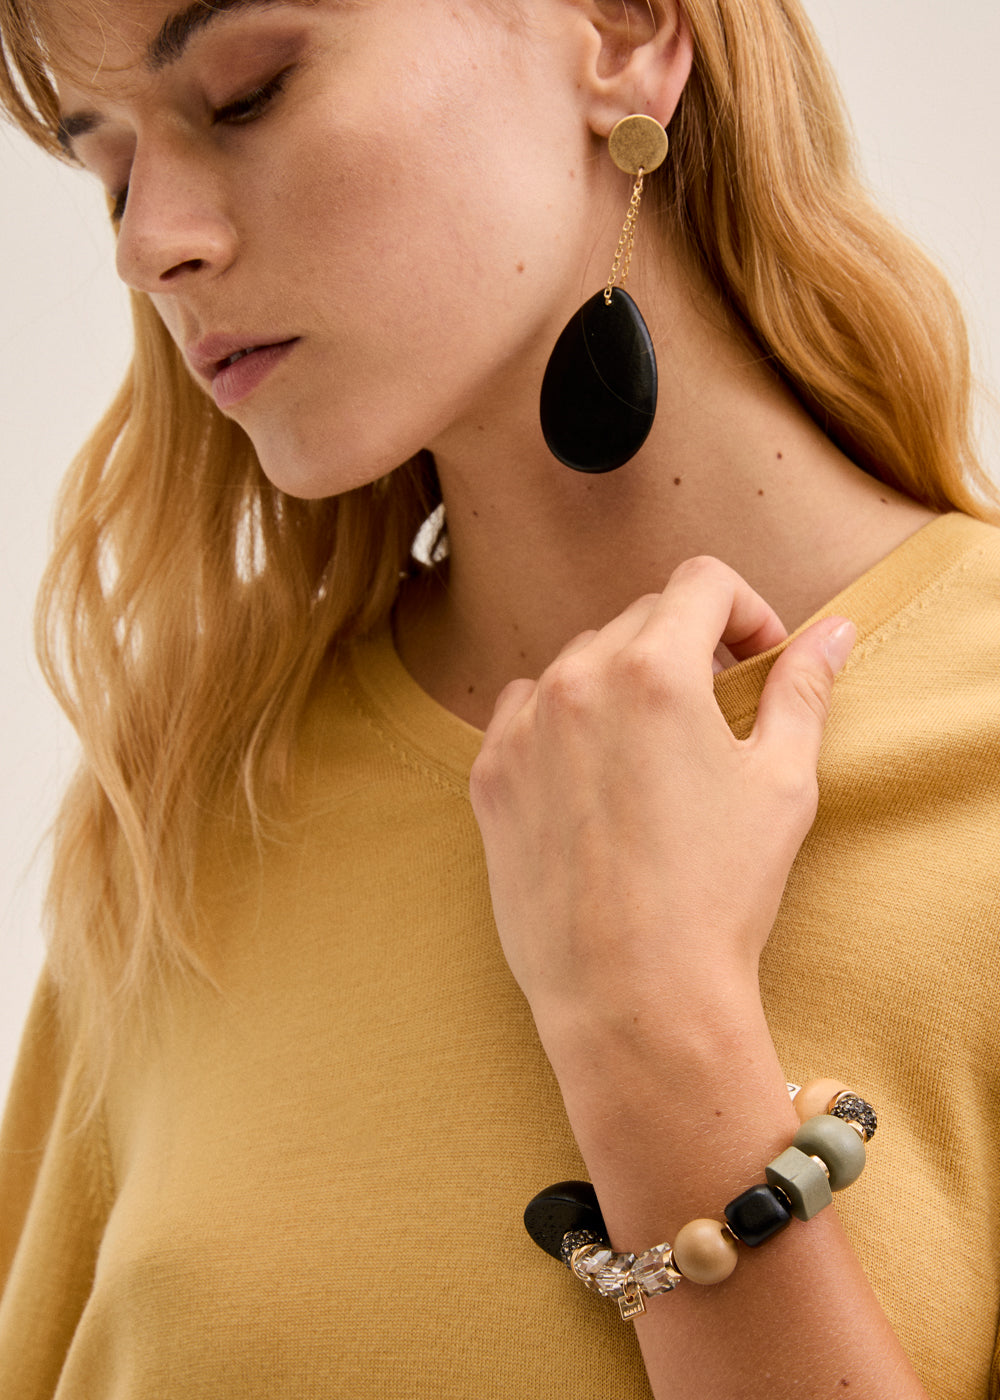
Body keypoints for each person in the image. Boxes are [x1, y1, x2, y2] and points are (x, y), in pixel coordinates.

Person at [0, 0, 997, 1395]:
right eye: (106, 168)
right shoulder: (193, 809)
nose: (145, 241)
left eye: (248, 93)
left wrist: (656, 1034)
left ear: (620, 33)